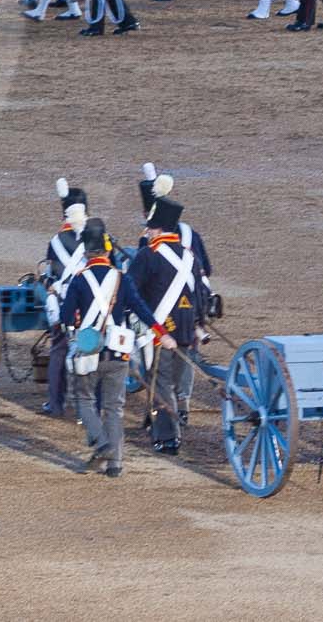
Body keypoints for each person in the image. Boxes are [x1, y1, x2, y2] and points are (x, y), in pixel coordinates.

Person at [58, 218, 174, 479]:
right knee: (114, 408)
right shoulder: (121, 279)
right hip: (118, 354)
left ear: (87, 252)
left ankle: (101, 445)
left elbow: (65, 318)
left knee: (84, 400)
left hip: (88, 354)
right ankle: (115, 464)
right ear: (108, 250)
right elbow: (142, 309)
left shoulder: (78, 280)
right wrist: (162, 334)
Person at [128, 194, 203, 456]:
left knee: (160, 382)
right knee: (168, 381)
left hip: (159, 331)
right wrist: (198, 324)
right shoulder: (190, 256)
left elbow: (130, 291)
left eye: (150, 227)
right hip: (186, 329)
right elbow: (199, 295)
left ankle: (168, 437)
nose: (147, 232)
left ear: (158, 228)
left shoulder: (148, 255)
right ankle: (153, 419)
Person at [41, 179, 90, 417]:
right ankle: (88, 407)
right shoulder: (99, 236)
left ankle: (56, 403)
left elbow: (52, 273)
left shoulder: (56, 241)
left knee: (59, 349)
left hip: (66, 304)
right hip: (94, 305)